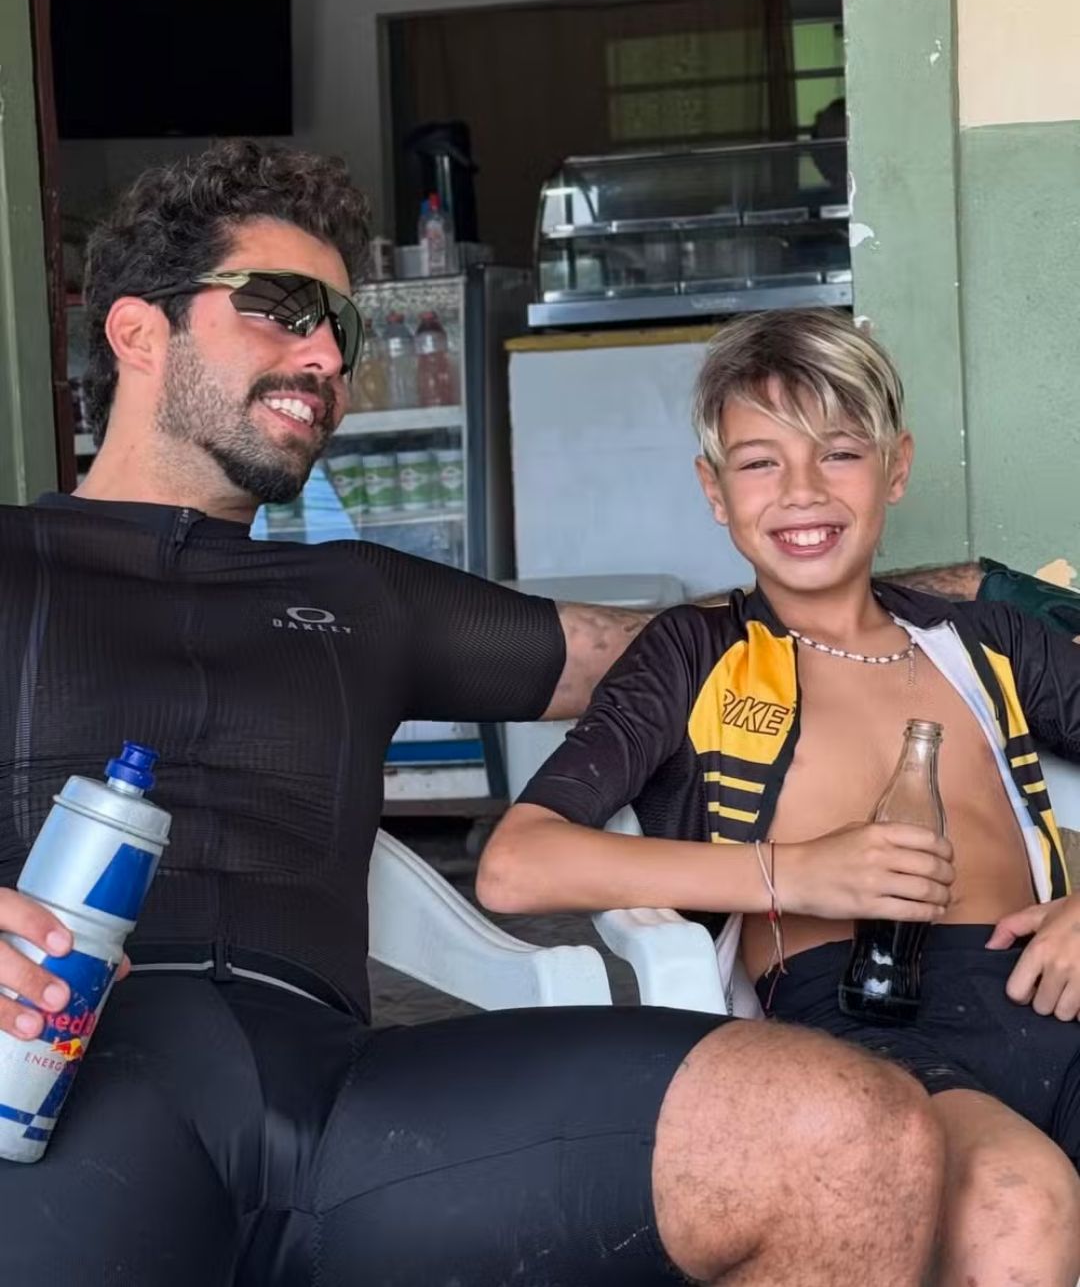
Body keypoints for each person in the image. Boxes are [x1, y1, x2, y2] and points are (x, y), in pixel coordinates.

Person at [0, 143, 943, 1285]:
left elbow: (674, 650)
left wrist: (973, 605)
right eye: (283, 309)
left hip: (348, 1112)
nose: (325, 357)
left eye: (341, 329)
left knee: (849, 1135)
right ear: (137, 332)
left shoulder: (361, 595)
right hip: (56, 1093)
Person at [480, 308, 1080, 1286]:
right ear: (714, 491)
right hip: (861, 1028)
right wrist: (792, 873)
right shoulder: (697, 653)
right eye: (761, 462)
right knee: (1015, 1201)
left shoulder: (986, 643)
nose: (803, 490)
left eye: (839, 453)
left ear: (896, 467)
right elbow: (517, 865)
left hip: (1048, 987)